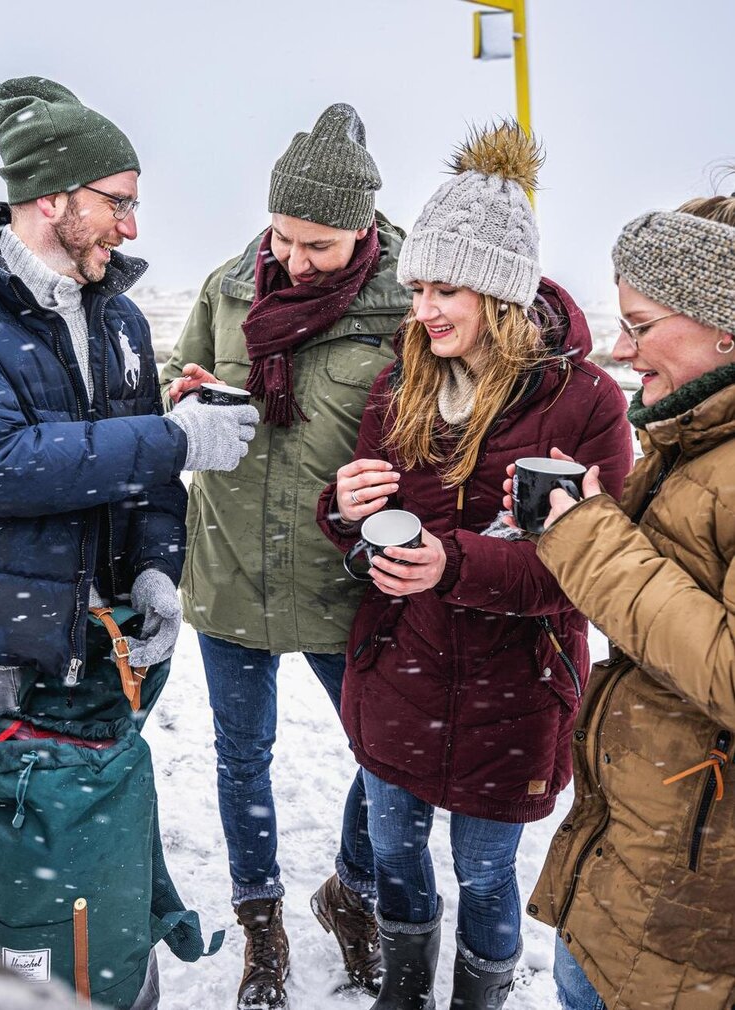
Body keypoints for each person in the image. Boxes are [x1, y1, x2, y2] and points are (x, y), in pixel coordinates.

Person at [0, 76, 258, 1010]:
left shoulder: (118, 316)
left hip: (94, 648)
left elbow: (146, 482)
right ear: (52, 198)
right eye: (118, 202)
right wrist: (175, 437)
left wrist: (157, 570)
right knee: (17, 886)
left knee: (103, 866)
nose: (131, 227)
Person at [316, 122, 633, 1010]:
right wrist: (345, 511)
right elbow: (366, 533)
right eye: (418, 287)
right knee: (395, 852)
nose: (424, 310)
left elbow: (588, 568)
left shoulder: (585, 401)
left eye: (445, 289)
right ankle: (404, 992)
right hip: (400, 668)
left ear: (499, 291)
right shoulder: (399, 384)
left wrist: (452, 565)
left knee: (487, 874)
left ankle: (477, 999)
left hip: (516, 687)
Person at [159, 103, 411, 1008]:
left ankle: (353, 891)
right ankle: (260, 924)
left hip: (342, 579)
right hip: (229, 567)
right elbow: (178, 373)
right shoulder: (228, 289)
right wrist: (187, 393)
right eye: (284, 237)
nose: (296, 260)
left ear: (364, 230)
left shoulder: (408, 307)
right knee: (241, 758)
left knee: (389, 755)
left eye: (320, 246)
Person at [519, 190, 735, 1009]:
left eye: (640, 325)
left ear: (725, 326)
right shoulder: (694, 433)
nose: (620, 347)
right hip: (645, 871)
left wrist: (589, 539)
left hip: (692, 920)